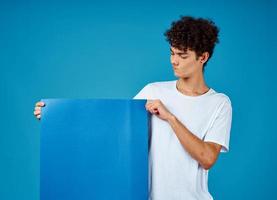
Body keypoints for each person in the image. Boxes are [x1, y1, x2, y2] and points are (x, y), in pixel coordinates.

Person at [34, 16, 232, 200]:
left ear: (203, 57)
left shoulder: (219, 103)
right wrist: (55, 117)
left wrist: (170, 118)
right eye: (172, 53)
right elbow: (113, 128)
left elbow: (207, 158)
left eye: (182, 55)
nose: (174, 60)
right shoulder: (153, 90)